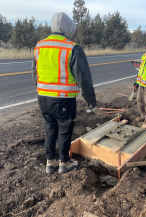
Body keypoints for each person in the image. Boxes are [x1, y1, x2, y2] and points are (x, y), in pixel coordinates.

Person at [32, 12, 96, 174]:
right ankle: (64, 163)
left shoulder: (40, 46)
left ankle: (50, 162)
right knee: (65, 130)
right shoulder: (72, 47)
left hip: (44, 98)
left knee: (50, 128)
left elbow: (35, 73)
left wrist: (42, 90)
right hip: (63, 100)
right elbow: (84, 77)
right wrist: (90, 99)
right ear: (68, 28)